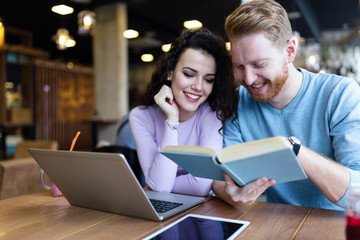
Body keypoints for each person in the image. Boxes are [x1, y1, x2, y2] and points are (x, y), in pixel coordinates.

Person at [212, 0, 360, 211]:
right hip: (277, 222)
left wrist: (293, 149)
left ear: (290, 51)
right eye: (239, 66)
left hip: (335, 225)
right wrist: (230, 194)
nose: (249, 78)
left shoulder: (340, 94)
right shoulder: (237, 102)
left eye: (259, 64)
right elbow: (221, 176)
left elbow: (358, 194)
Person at [129, 27, 238, 196]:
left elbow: (200, 185)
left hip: (203, 211)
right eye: (189, 74)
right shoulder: (140, 116)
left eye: (208, 79)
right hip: (162, 211)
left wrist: (159, 182)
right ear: (169, 72)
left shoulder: (212, 113)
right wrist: (172, 120)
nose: (198, 87)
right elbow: (161, 188)